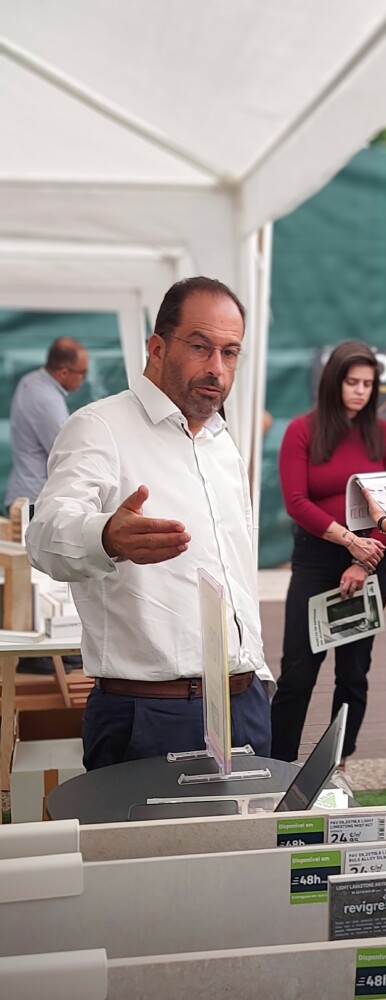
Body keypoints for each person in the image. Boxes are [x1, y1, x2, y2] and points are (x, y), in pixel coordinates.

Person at [26, 277, 274, 770]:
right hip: (149, 709)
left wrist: (260, 676)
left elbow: (236, 572)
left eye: (230, 353)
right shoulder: (100, 427)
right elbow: (45, 535)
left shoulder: (221, 442)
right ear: (156, 347)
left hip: (243, 702)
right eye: (202, 347)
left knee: (241, 848)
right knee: (143, 850)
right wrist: (105, 537)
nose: (217, 368)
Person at [271, 341, 386, 765]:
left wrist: (364, 560)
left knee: (352, 674)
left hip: (370, 562)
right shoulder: (302, 430)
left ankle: (336, 764)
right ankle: (281, 762)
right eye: (352, 382)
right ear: (334, 382)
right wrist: (349, 542)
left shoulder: (383, 436)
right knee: (298, 670)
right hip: (316, 558)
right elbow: (296, 501)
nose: (361, 391)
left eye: (368, 383)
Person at [5, 337, 89, 509]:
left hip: (23, 494)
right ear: (64, 372)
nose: (84, 379)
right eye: (83, 372)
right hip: (35, 501)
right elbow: (65, 452)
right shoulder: (46, 400)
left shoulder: (30, 381)